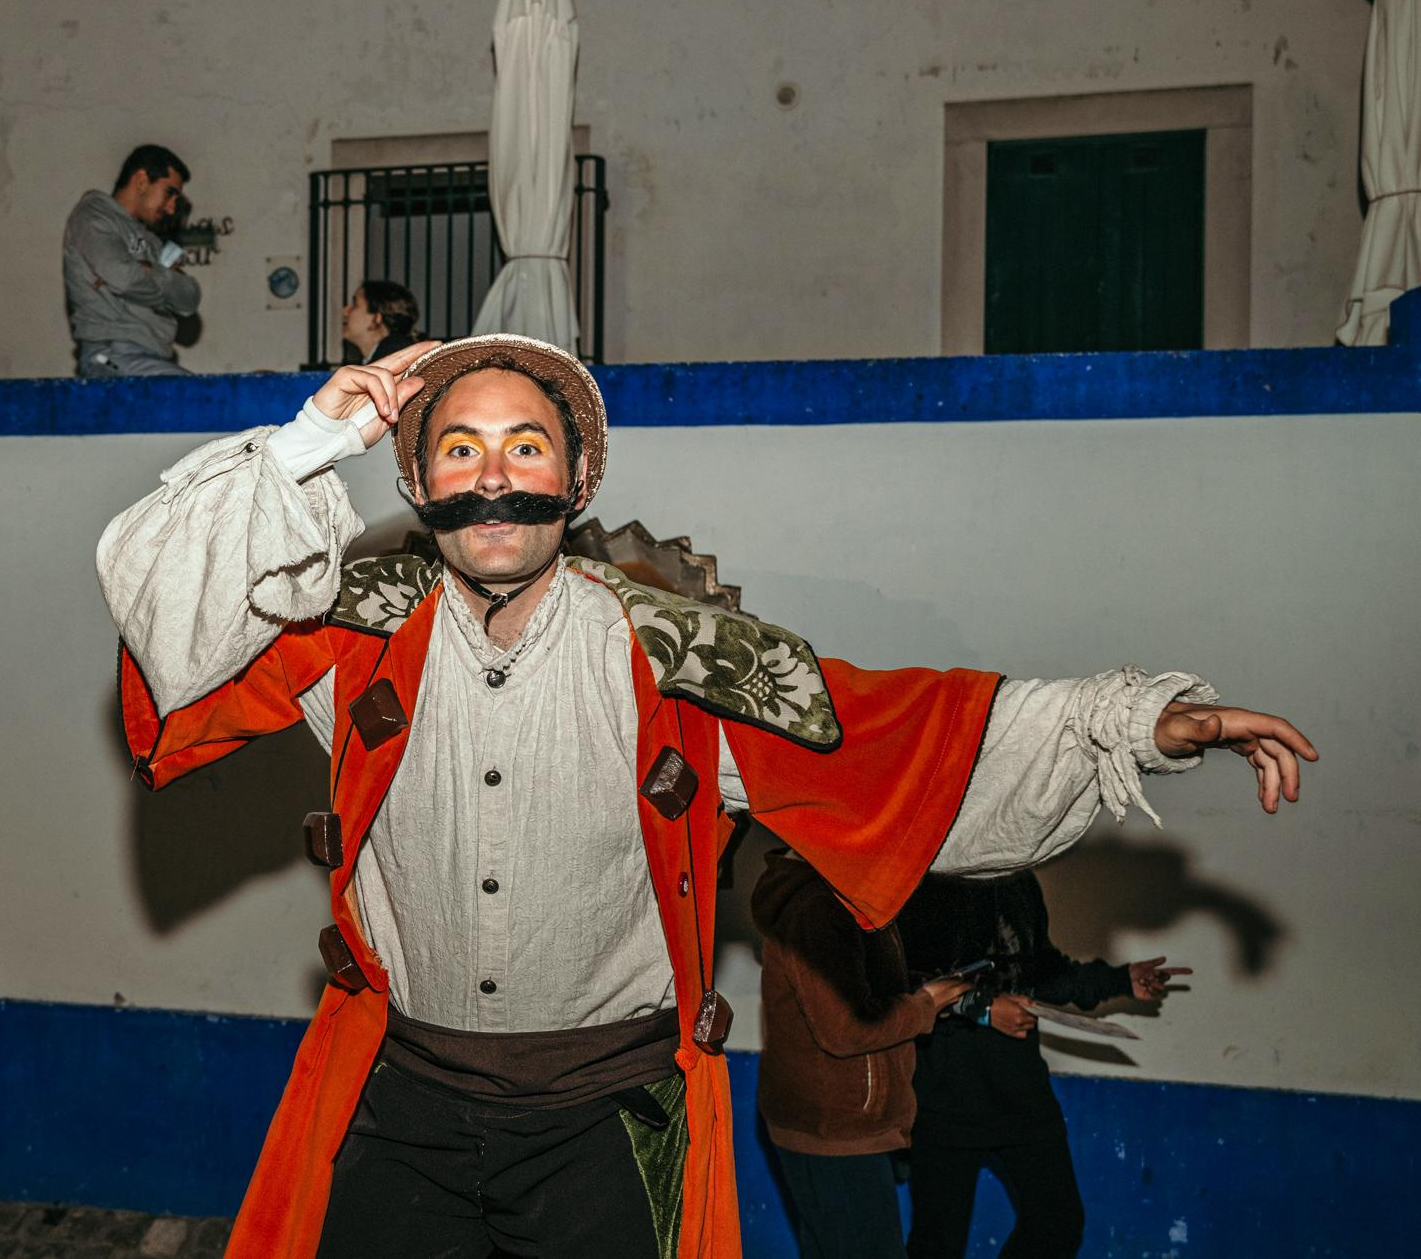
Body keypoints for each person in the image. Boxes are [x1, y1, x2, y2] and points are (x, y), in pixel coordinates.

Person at [94, 332, 1315, 1259]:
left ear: (574, 481)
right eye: (457, 446)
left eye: (527, 445)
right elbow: (168, 634)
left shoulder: (689, 659)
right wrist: (313, 435)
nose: (494, 474)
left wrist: (1136, 719)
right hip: (403, 1098)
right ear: (416, 482)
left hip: (603, 1123)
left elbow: (907, 734)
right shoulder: (343, 637)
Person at [896, 871, 1190, 1259]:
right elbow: (905, 982)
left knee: (1058, 1225)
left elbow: (1043, 972)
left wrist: (1119, 981)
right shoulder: (928, 878)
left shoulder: (1018, 881)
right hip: (945, 1095)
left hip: (1021, 1093)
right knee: (937, 1245)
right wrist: (983, 1009)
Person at [749, 850, 971, 1259]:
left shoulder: (844, 899)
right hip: (834, 1132)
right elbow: (847, 1028)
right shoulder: (819, 909)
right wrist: (925, 1005)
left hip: (835, 1126)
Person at [64, 144, 201, 378]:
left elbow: (189, 298)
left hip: (150, 357)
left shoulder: (149, 240)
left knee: (207, 399)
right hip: (114, 355)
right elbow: (124, 278)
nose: (170, 209)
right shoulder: (93, 216)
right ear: (141, 180)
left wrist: (149, 272)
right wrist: (165, 284)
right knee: (203, 399)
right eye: (169, 193)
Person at [339, 280, 421, 364]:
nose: (345, 312)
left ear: (376, 318)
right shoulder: (389, 355)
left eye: (355, 305)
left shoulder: (393, 360)